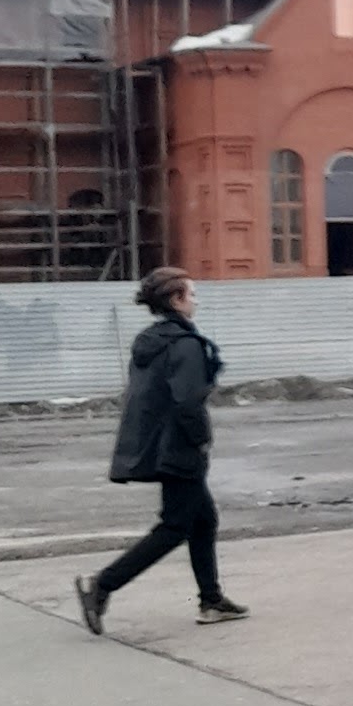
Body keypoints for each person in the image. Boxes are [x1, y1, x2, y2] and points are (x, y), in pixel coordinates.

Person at [78, 267, 246, 631]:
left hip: (160, 444)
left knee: (203, 519)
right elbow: (188, 402)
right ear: (176, 300)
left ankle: (212, 600)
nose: (196, 301)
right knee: (175, 526)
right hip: (180, 446)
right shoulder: (185, 345)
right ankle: (102, 585)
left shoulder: (152, 341)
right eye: (192, 294)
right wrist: (200, 439)